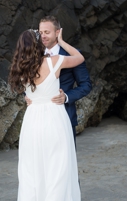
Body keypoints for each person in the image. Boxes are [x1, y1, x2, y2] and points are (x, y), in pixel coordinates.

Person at [9, 28, 82, 201]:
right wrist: (61, 41)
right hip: (54, 119)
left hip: (32, 122)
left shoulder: (21, 69)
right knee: (56, 171)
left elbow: (29, 94)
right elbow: (79, 58)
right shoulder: (54, 61)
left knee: (31, 173)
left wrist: (29, 98)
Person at [27, 16, 92, 146]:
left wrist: (66, 97)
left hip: (65, 115)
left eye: (47, 32)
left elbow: (86, 85)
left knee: (64, 161)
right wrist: (27, 96)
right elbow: (28, 80)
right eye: (40, 33)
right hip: (38, 118)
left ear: (57, 32)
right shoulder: (33, 55)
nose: (43, 36)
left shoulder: (72, 56)